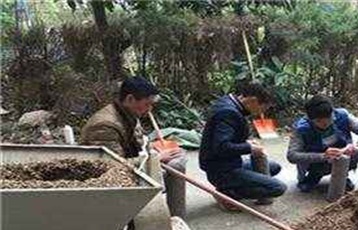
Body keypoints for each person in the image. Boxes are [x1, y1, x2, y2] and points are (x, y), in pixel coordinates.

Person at [81, 76, 187, 217]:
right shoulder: (104, 126)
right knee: (171, 167)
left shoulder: (129, 112)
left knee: (176, 163)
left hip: (129, 165)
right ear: (130, 99)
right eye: (147, 104)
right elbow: (113, 166)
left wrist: (154, 152)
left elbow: (141, 143)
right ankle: (163, 218)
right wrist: (155, 159)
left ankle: (176, 218)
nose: (149, 110)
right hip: (105, 179)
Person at [199, 82, 286, 209]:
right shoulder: (228, 113)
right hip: (222, 170)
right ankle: (227, 193)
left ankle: (234, 186)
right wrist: (249, 148)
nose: (261, 112)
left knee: (274, 167)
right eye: (263, 108)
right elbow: (221, 147)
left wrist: (247, 144)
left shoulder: (228, 102)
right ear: (253, 100)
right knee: (278, 187)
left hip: (232, 162)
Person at [287, 95, 358, 193]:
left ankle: (343, 176)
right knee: (313, 175)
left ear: (333, 113)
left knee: (354, 155)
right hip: (317, 161)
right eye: (319, 121)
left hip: (344, 155)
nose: (325, 124)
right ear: (310, 119)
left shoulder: (342, 115)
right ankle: (313, 177)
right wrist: (323, 156)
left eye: (328, 119)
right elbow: (292, 155)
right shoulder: (301, 128)